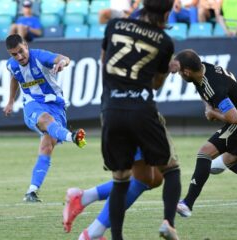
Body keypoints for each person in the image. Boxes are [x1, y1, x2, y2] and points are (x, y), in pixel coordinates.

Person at [96, 0, 181, 239]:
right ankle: (168, 222)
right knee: (171, 169)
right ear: (167, 12)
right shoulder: (164, 41)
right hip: (141, 110)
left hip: (111, 109)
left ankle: (117, 238)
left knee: (120, 180)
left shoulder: (115, 25)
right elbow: (155, 84)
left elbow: (104, 60)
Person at [170, 49, 237, 218]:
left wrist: (213, 114)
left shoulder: (214, 86)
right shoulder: (203, 69)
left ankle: (187, 203)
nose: (179, 75)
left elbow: (234, 118)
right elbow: (205, 91)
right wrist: (208, 106)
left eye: (179, 73)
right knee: (231, 161)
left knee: (204, 153)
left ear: (187, 71)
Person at [63, 113, 178, 240]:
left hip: (113, 112)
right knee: (151, 176)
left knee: (154, 178)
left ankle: (84, 197)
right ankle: (92, 233)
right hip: (137, 112)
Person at [3, 34, 87, 202]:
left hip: (56, 105)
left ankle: (31, 191)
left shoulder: (40, 56)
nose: (19, 57)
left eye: (21, 51)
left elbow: (64, 58)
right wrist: (11, 100)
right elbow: (15, 77)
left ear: (26, 45)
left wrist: (62, 63)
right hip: (33, 105)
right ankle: (72, 137)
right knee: (45, 119)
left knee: (47, 147)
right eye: (14, 54)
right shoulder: (12, 65)